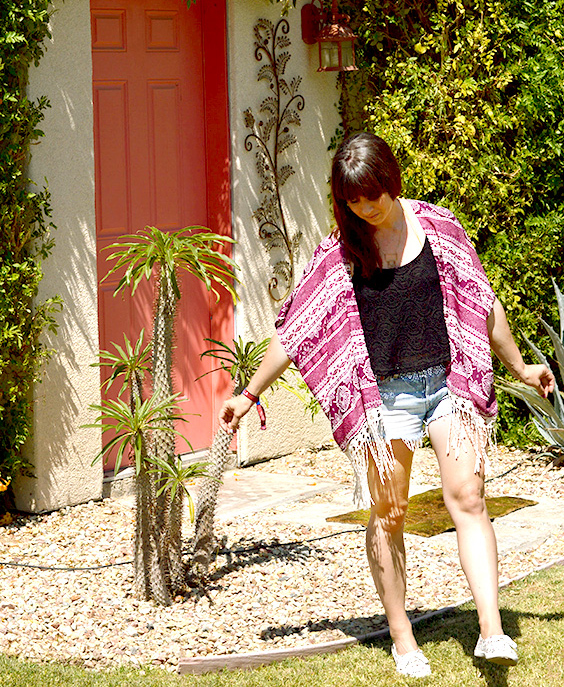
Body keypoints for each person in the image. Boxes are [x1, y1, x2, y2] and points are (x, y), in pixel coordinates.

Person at [219, 132, 554, 679]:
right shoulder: (342, 252)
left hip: (448, 381)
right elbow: (297, 328)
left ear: (390, 181)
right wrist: (248, 392)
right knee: (390, 513)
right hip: (384, 399)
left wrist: (521, 366)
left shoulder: (440, 229)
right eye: (352, 199)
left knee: (467, 496)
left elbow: (480, 301)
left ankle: (492, 632)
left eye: (371, 195)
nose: (364, 207)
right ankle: (402, 637)